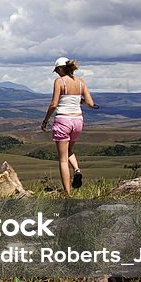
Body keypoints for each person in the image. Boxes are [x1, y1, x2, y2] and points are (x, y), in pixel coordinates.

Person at [41, 57, 98, 195]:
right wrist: (78, 100)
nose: (57, 73)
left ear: (60, 69)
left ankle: (67, 193)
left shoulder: (59, 82)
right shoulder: (80, 82)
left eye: (57, 71)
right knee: (69, 150)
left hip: (63, 121)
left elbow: (54, 104)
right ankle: (77, 170)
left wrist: (45, 120)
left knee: (62, 160)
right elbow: (90, 104)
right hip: (78, 121)